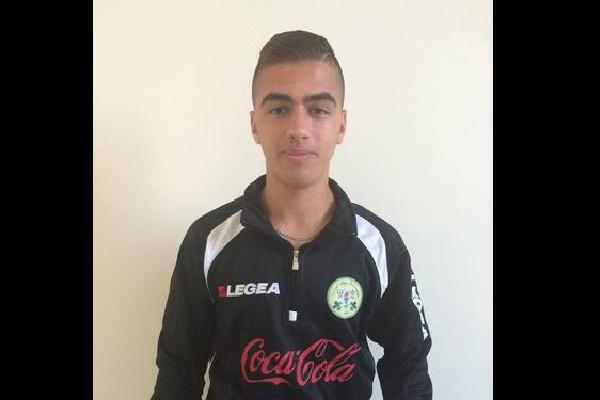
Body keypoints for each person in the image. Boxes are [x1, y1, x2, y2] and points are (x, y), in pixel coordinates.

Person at [151, 30, 432, 400]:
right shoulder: (208, 241)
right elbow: (177, 372)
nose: (299, 128)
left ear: (341, 125)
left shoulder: (379, 245)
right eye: (279, 109)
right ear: (255, 124)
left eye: (318, 110)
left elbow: (408, 368)